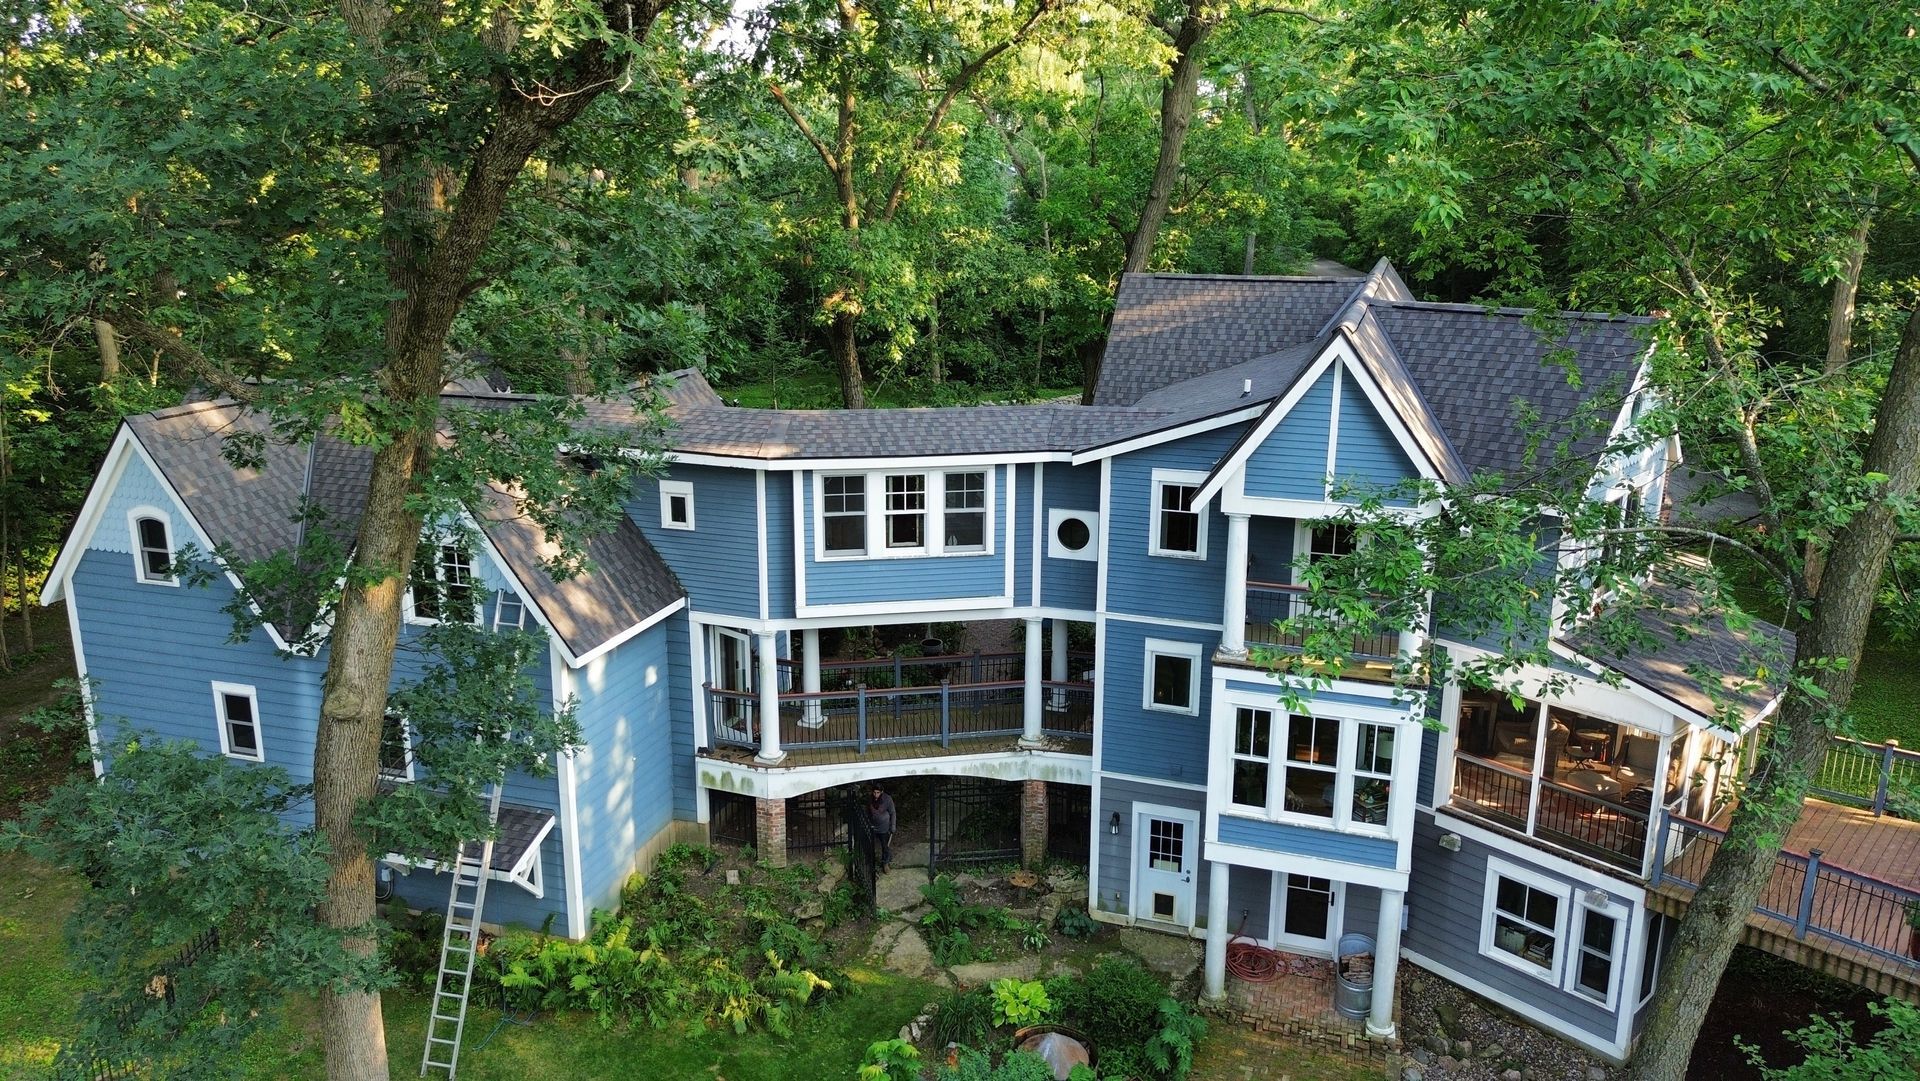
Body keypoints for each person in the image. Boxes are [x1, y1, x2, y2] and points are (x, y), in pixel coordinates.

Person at [868, 783, 897, 873]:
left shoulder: (887, 799)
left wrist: (893, 826)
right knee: (870, 845)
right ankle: (870, 863)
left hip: (884, 827)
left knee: (885, 846)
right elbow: (867, 812)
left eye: (878, 792)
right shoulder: (870, 799)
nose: (876, 795)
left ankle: (885, 863)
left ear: (882, 792)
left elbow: (893, 812)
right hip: (873, 826)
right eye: (874, 792)